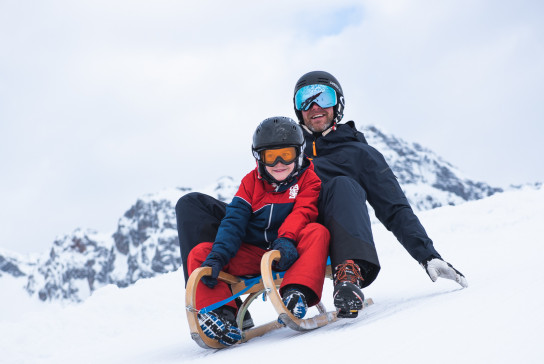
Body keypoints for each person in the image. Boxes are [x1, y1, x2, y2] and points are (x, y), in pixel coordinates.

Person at [291, 70, 468, 318]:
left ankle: (348, 276)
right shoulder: (287, 155)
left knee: (343, 185)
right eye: (305, 100)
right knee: (223, 208)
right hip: (287, 233)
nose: (315, 106)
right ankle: (224, 307)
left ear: (338, 104)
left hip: (333, 233)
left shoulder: (360, 154)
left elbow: (394, 209)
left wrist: (427, 255)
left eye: (325, 98)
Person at [186, 116, 330, 346]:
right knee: (201, 254)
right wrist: (218, 256)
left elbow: (303, 211)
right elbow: (233, 221)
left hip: (292, 252)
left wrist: (286, 239)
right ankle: (222, 316)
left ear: (299, 153)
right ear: (259, 158)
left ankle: (296, 294)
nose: (279, 162)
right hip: (257, 256)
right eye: (270, 156)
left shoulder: (308, 179)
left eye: (286, 154)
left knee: (317, 231)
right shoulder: (251, 183)